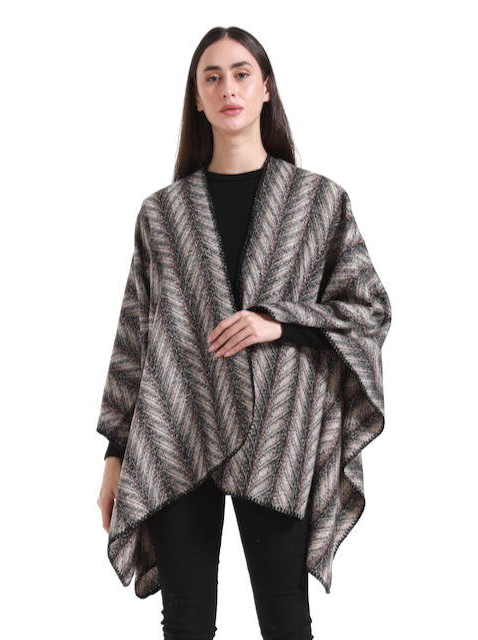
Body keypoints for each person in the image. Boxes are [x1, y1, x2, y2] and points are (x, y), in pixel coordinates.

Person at [96, 26, 391, 640]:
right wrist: (114, 456)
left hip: (279, 434)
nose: (227, 88)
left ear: (265, 89)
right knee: (185, 625)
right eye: (212, 77)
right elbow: (135, 337)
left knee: (286, 623)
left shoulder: (318, 203)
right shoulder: (162, 213)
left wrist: (278, 322)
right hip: (177, 429)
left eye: (241, 73)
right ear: (197, 99)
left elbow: (368, 308)